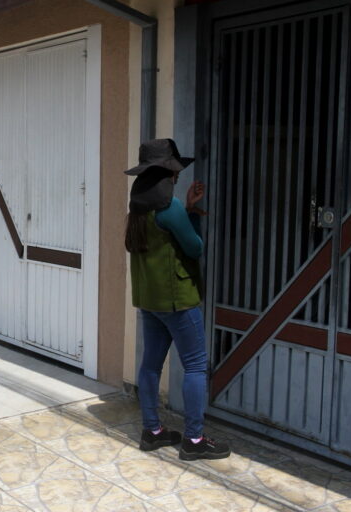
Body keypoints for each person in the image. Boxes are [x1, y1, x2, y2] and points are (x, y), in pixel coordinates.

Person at [124, 138, 230, 461]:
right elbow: (194, 247)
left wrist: (187, 207)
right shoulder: (168, 209)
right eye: (175, 171)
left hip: (150, 302)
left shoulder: (138, 208)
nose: (177, 176)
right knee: (196, 365)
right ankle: (194, 440)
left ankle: (152, 431)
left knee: (151, 365)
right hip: (178, 301)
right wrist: (193, 213)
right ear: (168, 174)